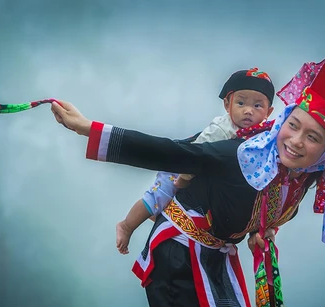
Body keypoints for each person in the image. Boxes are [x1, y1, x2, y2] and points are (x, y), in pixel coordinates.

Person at [50, 37, 325, 307]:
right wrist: (87, 128)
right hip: (179, 253)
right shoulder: (241, 155)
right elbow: (172, 152)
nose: (296, 141)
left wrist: (262, 229)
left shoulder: (304, 174)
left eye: (313, 137)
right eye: (293, 126)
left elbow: (265, 206)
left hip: (216, 256)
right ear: (282, 122)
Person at [116, 68, 276, 255]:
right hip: (182, 166)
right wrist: (182, 180)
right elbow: (192, 156)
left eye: (258, 106)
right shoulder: (222, 129)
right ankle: (127, 225)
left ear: (269, 111)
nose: (248, 111)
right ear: (227, 104)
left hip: (206, 178)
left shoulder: (262, 139)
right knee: (158, 196)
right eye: (241, 103)